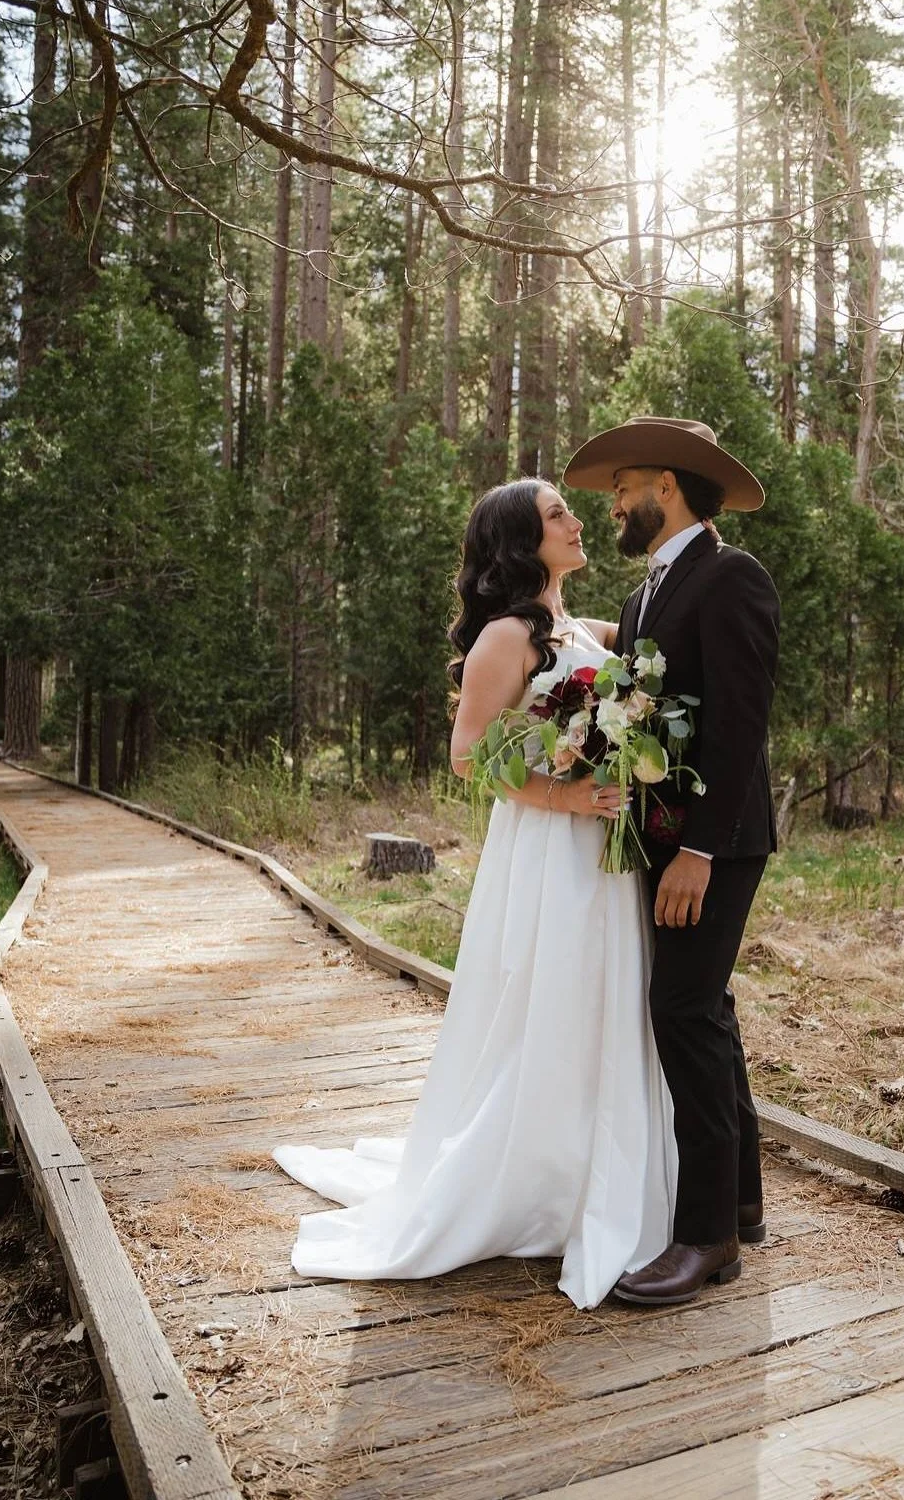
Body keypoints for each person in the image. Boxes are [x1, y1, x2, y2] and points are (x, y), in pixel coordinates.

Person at [272, 479, 676, 1310]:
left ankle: (594, 1167)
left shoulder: (578, 628)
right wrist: (567, 795)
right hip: (549, 849)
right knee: (550, 998)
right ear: (523, 541)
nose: (576, 521)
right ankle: (534, 1178)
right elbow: (467, 757)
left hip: (604, 850)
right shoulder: (506, 635)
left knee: (603, 1000)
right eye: (557, 513)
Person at [563, 416, 779, 1306]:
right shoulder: (646, 594)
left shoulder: (733, 577)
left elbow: (740, 725)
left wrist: (697, 849)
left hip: (714, 843)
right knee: (706, 1005)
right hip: (662, 836)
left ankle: (705, 1238)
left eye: (623, 487)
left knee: (681, 1010)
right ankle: (743, 1200)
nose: (613, 503)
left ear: (669, 486)